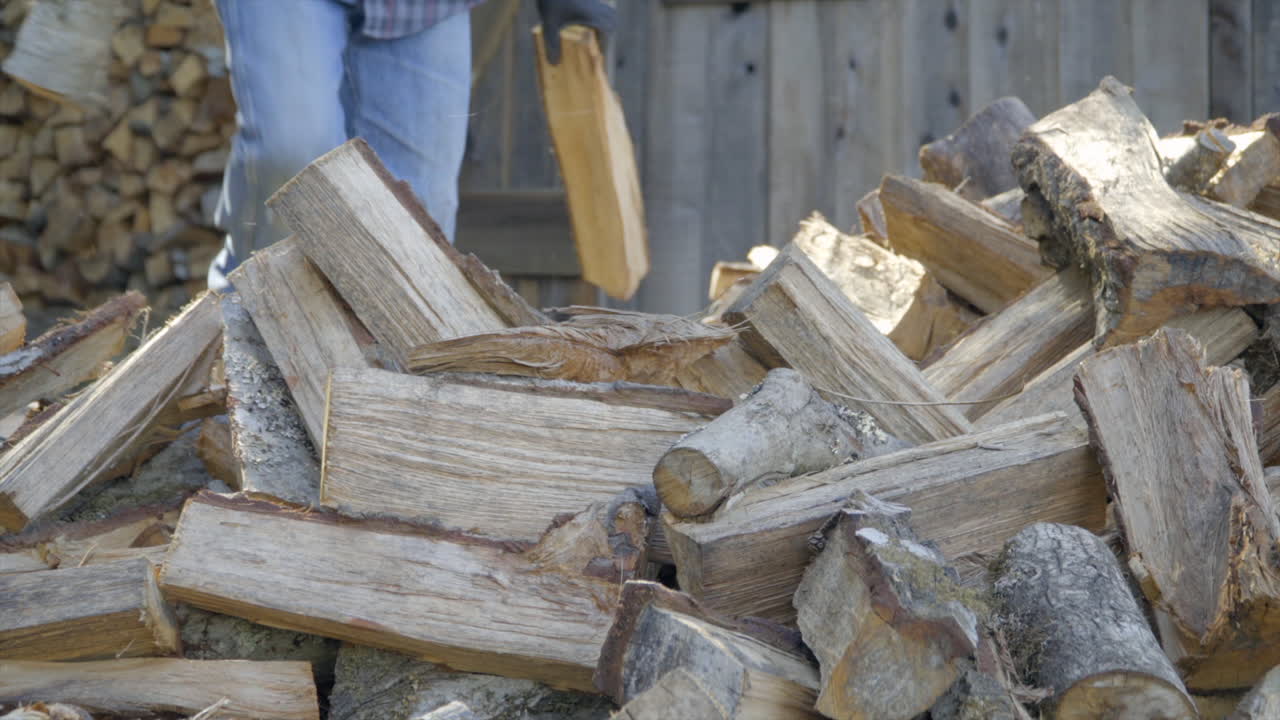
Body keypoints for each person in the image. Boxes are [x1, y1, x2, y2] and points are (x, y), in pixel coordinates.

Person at [207, 0, 615, 290]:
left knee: (419, 214)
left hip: (425, 8)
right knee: (293, 155)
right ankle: (245, 332)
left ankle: (381, 387)